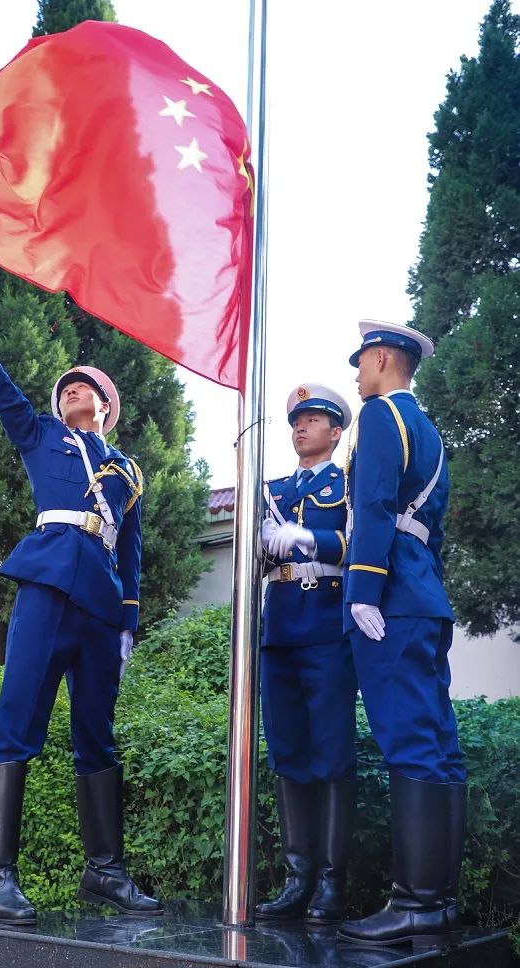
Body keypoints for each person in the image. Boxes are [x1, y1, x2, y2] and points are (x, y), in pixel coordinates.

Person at [0, 259, 163, 924]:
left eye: (81, 388)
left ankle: (106, 873)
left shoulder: (128, 470)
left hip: (99, 603)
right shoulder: (41, 435)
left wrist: (128, 622)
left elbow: (132, 549)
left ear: (107, 405)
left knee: (98, 734)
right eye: (63, 389)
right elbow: (1, 390)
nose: (69, 393)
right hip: (44, 588)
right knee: (17, 722)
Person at [337, 320, 466, 950]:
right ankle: (438, 904)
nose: (356, 372)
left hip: (389, 598)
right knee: (438, 745)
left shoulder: (382, 417)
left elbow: (378, 507)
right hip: (423, 594)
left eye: (360, 361)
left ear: (384, 357)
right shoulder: (429, 428)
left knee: (410, 743)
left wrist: (361, 591)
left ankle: (415, 903)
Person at [255, 383, 358, 925]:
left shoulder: (346, 484)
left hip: (327, 621)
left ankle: (332, 882)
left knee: (332, 753)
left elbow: (359, 540)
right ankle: (298, 878)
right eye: (297, 420)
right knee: (289, 751)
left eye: (314, 420)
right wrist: (260, 540)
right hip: (281, 627)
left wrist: (308, 539)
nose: (301, 427)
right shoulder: (268, 489)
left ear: (335, 432)